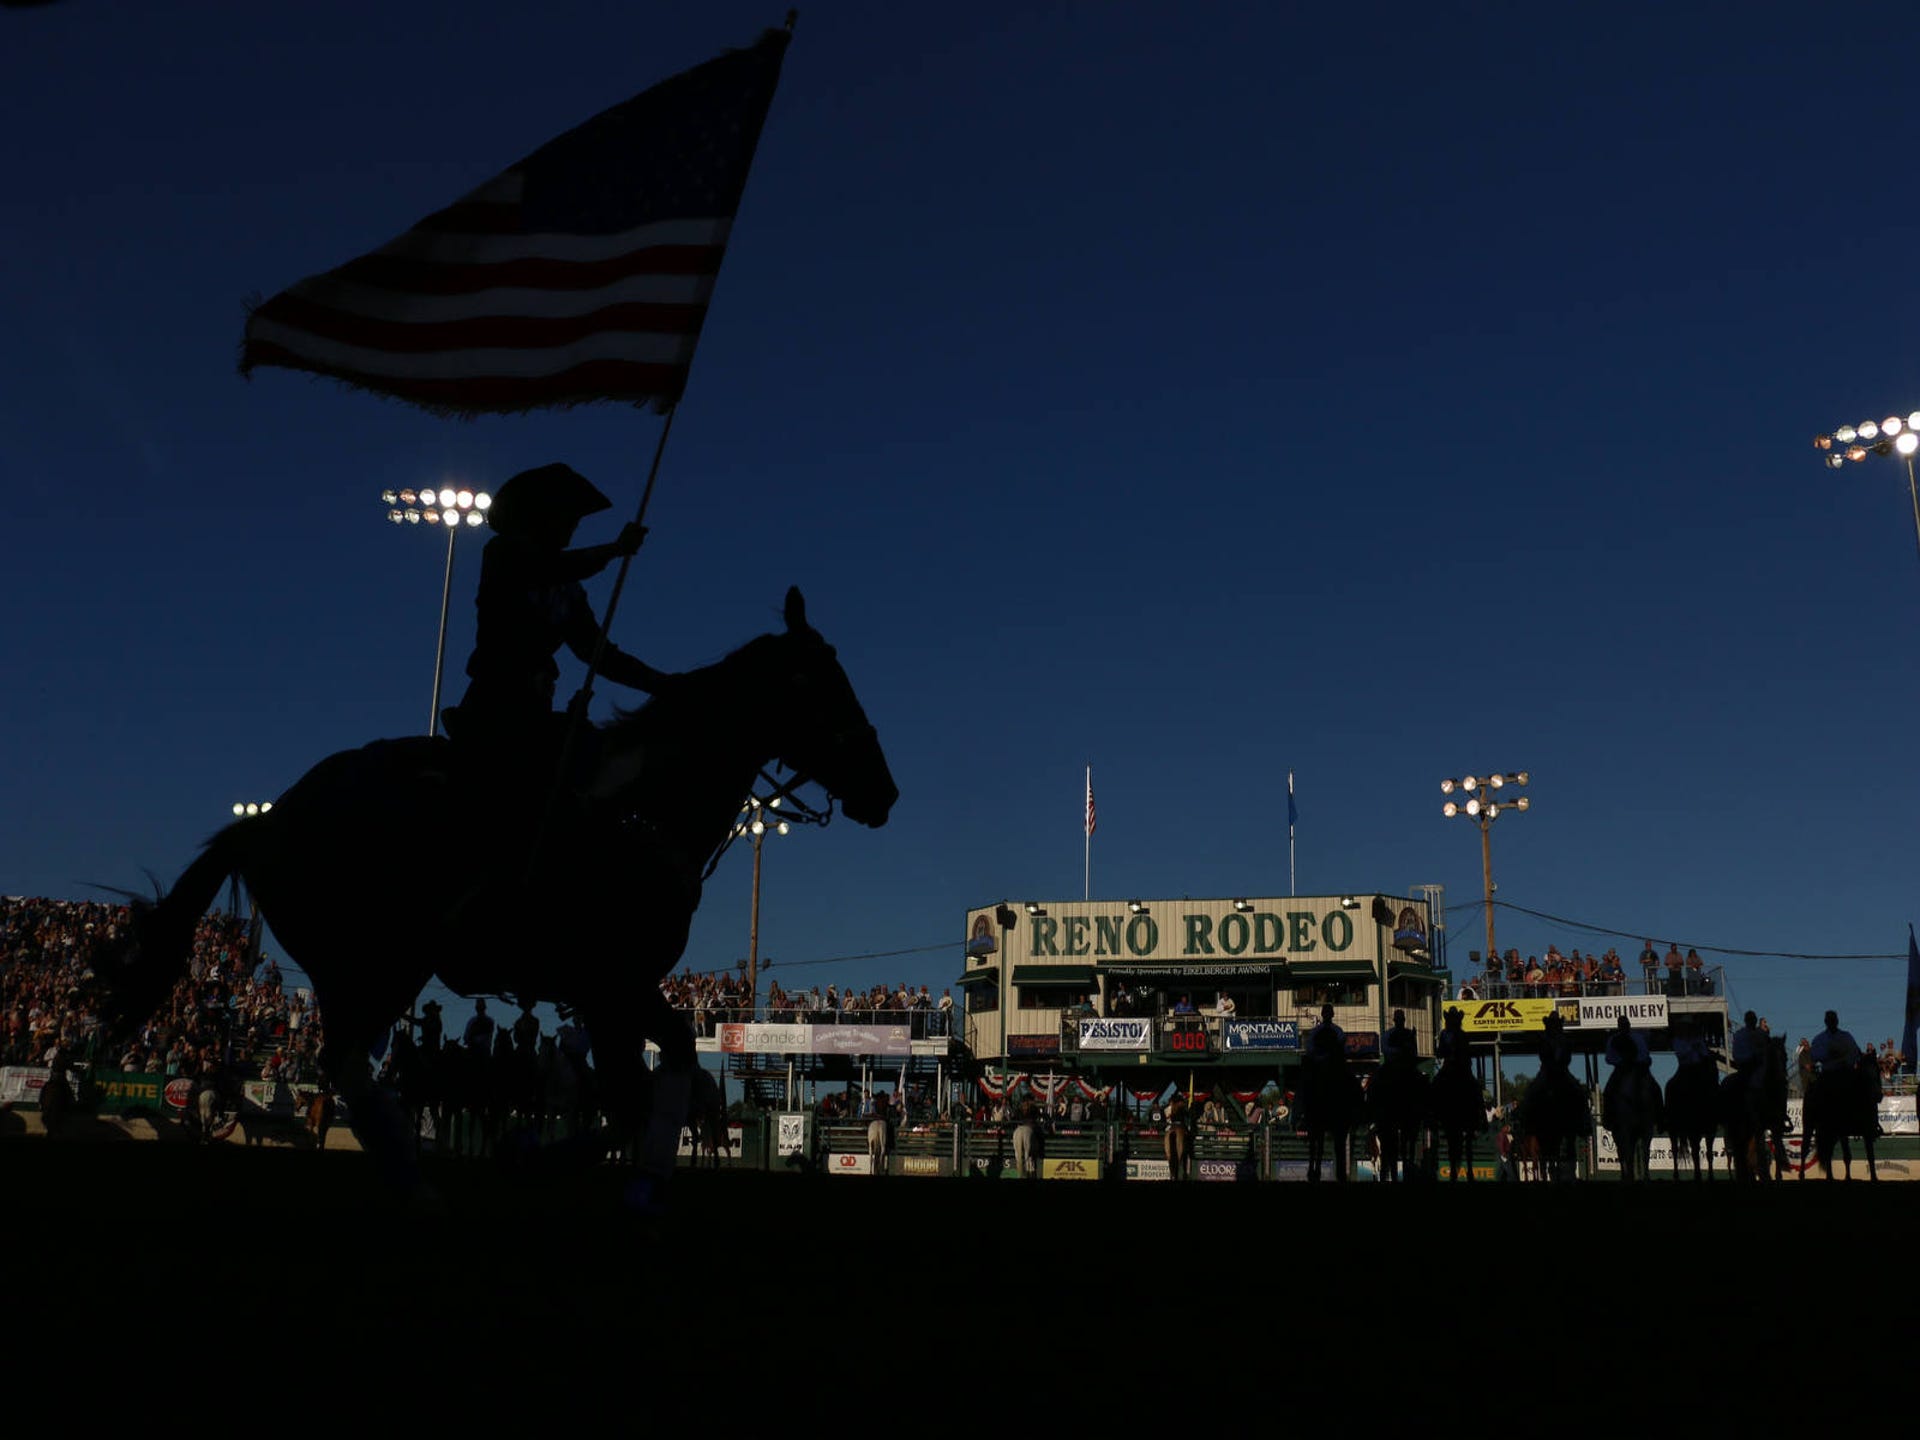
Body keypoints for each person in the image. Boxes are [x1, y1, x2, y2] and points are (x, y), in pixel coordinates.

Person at [443, 461, 674, 807]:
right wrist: (613, 550)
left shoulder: (568, 591)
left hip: (538, 706)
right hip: (494, 704)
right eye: (568, 518)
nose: (572, 529)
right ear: (540, 517)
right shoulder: (502, 554)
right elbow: (545, 568)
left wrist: (664, 684)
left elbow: (599, 654)